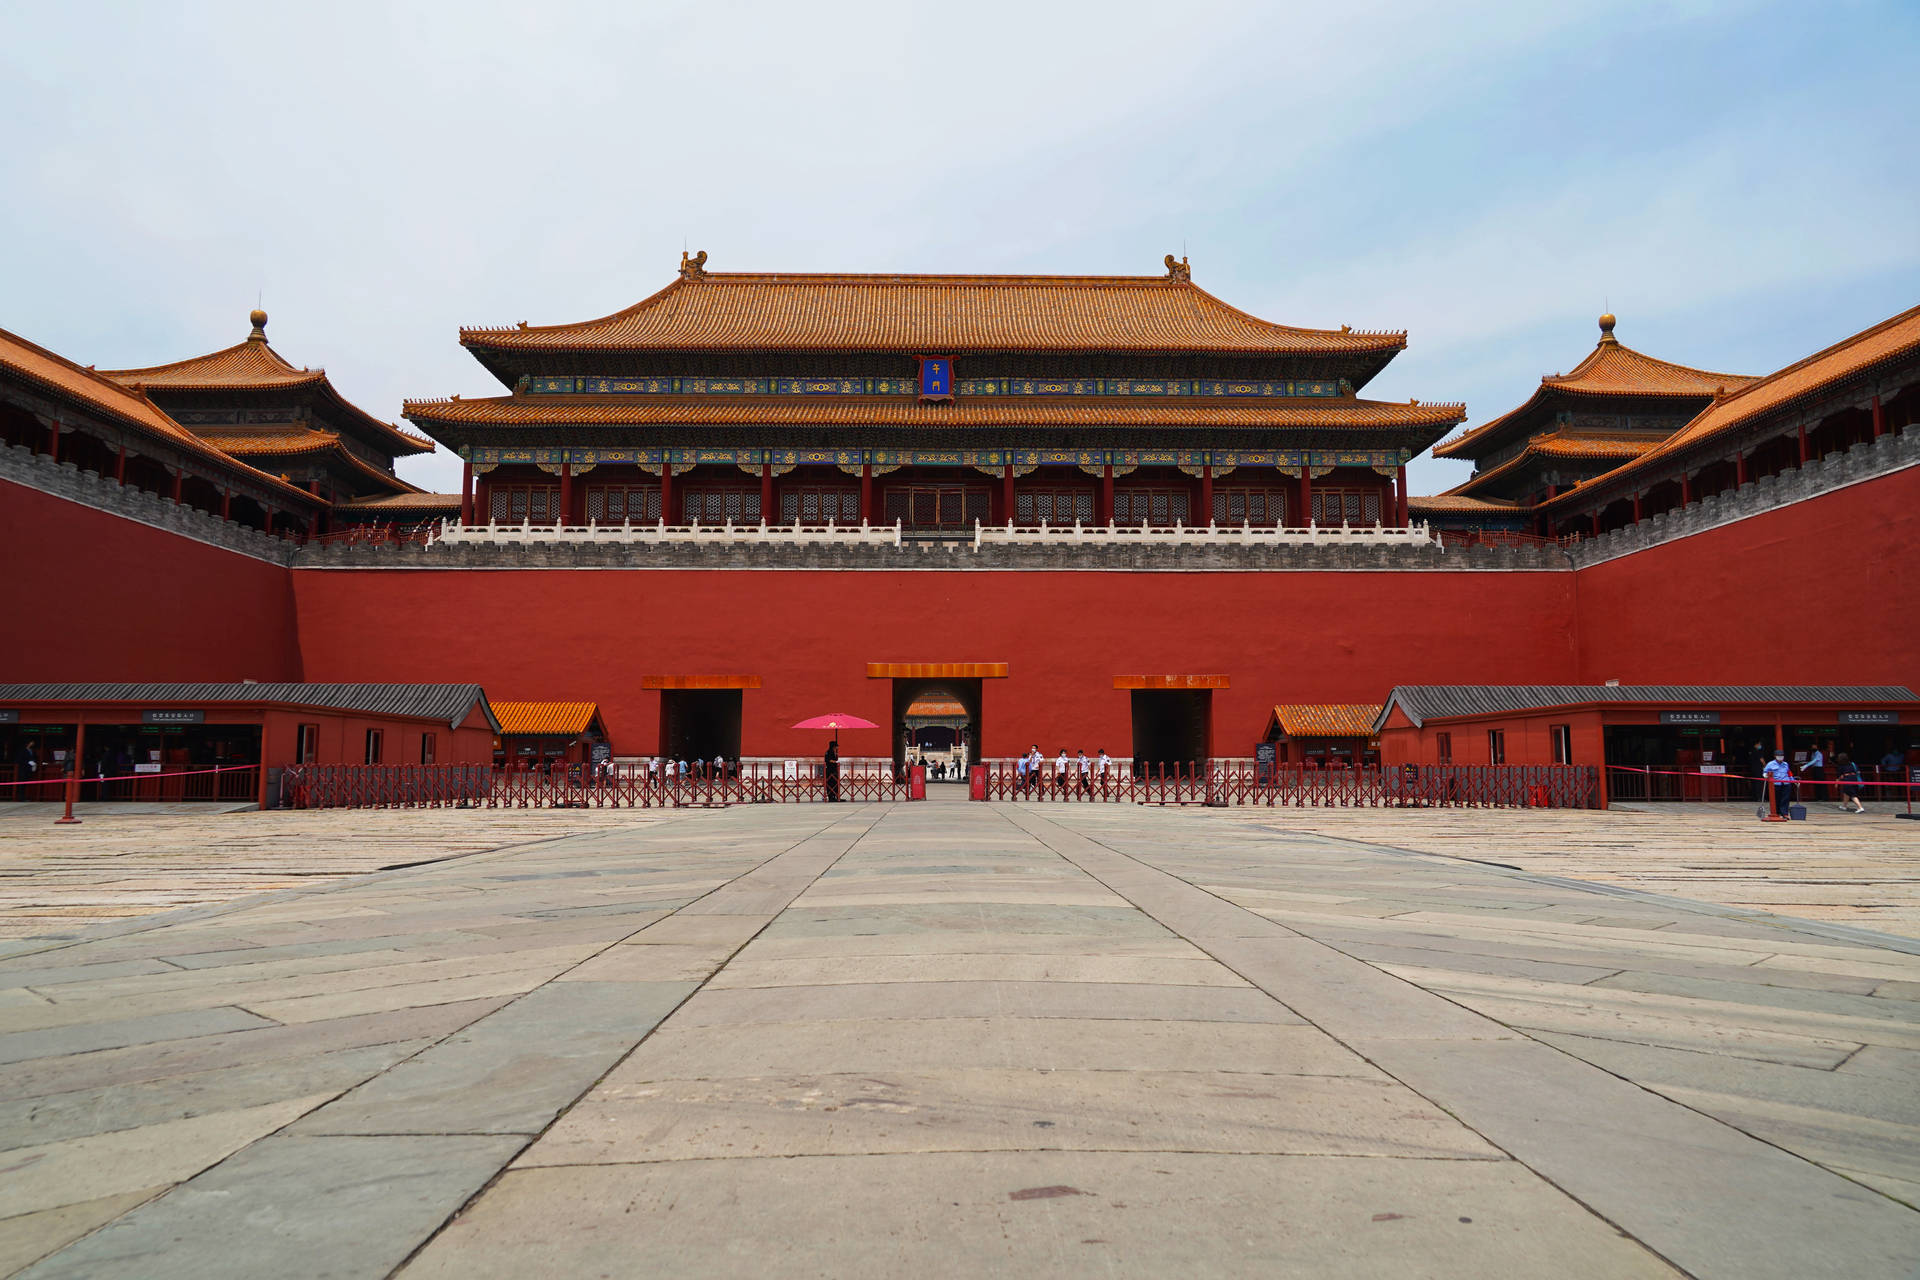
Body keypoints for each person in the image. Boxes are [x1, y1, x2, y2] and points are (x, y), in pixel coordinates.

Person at [1762, 750, 1796, 819]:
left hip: (1786, 783)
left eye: (1782, 756)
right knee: (1776, 799)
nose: (1780, 757)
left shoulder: (1785, 764)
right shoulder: (1770, 764)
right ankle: (1777, 812)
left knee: (1785, 799)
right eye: (1779, 756)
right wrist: (1765, 775)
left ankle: (1784, 813)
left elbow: (1789, 773)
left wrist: (1793, 780)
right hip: (1776, 784)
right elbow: (1765, 771)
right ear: (1775, 756)